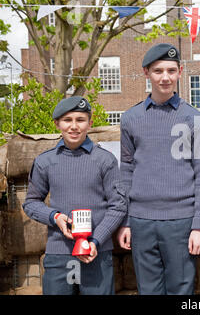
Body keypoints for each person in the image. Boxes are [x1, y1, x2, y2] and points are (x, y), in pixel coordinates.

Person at [117, 43, 200, 295]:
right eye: (158, 71)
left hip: (180, 221)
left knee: (182, 289)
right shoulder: (130, 118)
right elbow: (126, 170)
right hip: (141, 221)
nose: (165, 77)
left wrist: (199, 226)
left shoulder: (194, 118)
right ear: (146, 72)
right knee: (148, 290)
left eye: (171, 70)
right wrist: (125, 221)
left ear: (180, 71)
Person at [23, 96, 126, 295]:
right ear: (57, 124)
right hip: (59, 254)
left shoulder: (105, 160)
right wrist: (55, 217)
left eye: (80, 120)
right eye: (67, 120)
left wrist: (96, 240)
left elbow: (118, 206)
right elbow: (31, 203)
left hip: (97, 254)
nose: (74, 126)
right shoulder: (45, 162)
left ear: (90, 123)